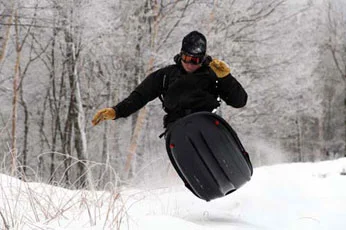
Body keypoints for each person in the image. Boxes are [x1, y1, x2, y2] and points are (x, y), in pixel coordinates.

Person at [92, 31, 247, 130]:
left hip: (207, 122)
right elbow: (140, 96)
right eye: (186, 58)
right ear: (181, 55)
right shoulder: (166, 75)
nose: (190, 64)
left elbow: (239, 101)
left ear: (203, 59)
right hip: (177, 127)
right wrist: (116, 111)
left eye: (195, 60)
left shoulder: (213, 75)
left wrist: (226, 78)